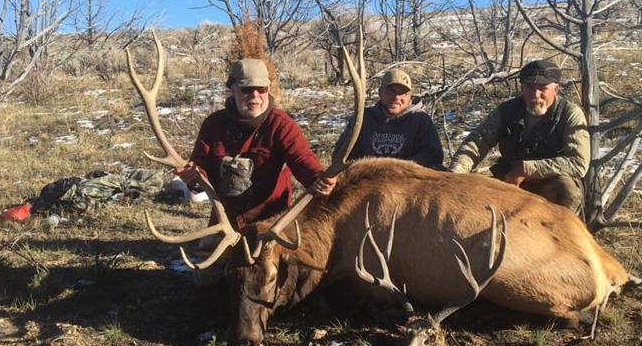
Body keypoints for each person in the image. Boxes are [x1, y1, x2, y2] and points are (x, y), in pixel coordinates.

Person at [176, 58, 336, 231]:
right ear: (232, 90)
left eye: (261, 89)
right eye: (246, 90)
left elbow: (302, 159)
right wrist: (193, 177)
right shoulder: (214, 124)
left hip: (271, 227)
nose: (255, 96)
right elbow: (199, 169)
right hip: (225, 226)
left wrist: (319, 179)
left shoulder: (281, 124)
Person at [448, 59, 589, 214]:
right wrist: (456, 173)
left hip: (551, 179)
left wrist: (526, 169)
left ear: (556, 89)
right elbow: (476, 142)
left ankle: (561, 235)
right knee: (471, 191)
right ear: (521, 87)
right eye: (529, 87)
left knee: (568, 193)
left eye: (543, 88)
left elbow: (578, 163)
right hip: (509, 176)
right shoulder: (507, 110)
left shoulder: (570, 114)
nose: (536, 95)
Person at [333, 68, 443, 169]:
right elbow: (341, 154)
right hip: (368, 179)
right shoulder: (363, 118)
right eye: (391, 91)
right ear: (380, 92)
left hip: (406, 181)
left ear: (411, 96)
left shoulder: (420, 120)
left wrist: (401, 169)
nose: (396, 98)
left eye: (403, 94)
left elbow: (433, 155)